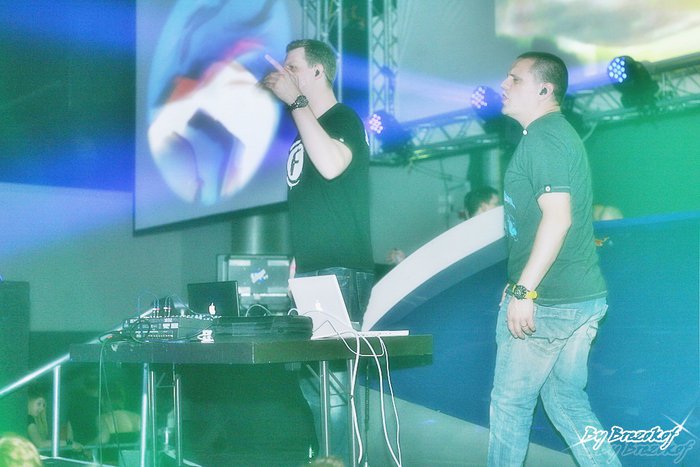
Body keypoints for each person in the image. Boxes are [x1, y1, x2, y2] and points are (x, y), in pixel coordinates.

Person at [487, 51, 620, 466]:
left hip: (550, 302)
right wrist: (518, 284)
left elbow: (558, 219)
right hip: (579, 298)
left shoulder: (544, 137)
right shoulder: (556, 135)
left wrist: (524, 291)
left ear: (545, 90)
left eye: (515, 79)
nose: (504, 85)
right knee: (566, 402)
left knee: (510, 406)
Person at [263, 39, 375, 463]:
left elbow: (331, 166)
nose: (285, 73)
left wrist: (296, 102)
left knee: (333, 390)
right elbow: (311, 202)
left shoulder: (343, 118)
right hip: (312, 271)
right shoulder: (304, 127)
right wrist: (296, 265)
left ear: (317, 72)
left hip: (340, 270)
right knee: (313, 386)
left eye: (292, 66)